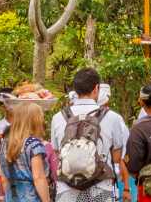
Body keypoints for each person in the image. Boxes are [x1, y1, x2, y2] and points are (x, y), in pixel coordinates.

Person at [51, 68, 129, 202]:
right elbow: (116, 157)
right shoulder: (112, 117)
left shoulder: (58, 117)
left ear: (75, 90)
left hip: (67, 189)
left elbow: (57, 152)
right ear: (96, 88)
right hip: (100, 187)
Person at [0, 102, 52, 202]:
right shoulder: (33, 144)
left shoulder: (5, 144)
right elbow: (39, 177)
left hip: (11, 196)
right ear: (35, 121)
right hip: (31, 197)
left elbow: (4, 178)